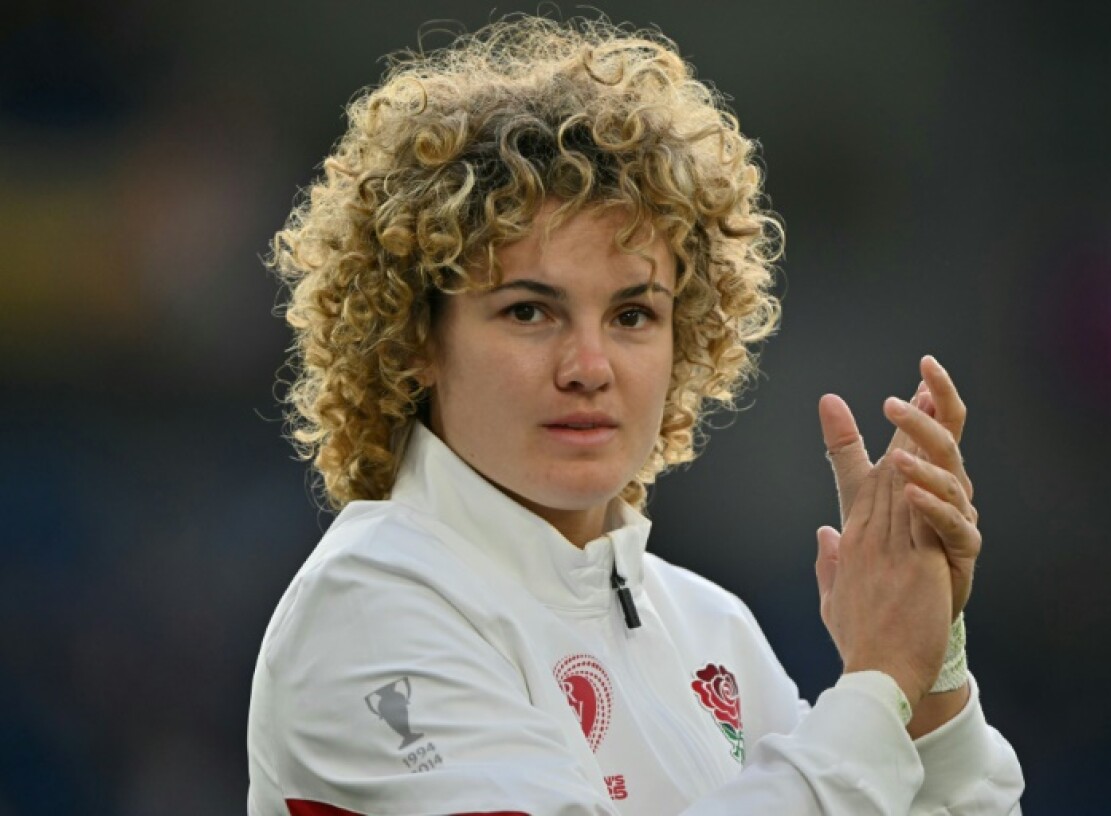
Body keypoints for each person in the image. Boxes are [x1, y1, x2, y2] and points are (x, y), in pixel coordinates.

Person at [247, 15, 1024, 816]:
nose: (589, 367)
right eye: (528, 311)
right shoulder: (369, 605)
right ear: (415, 339)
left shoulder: (710, 629)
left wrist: (927, 664)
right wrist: (878, 683)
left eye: (632, 315)